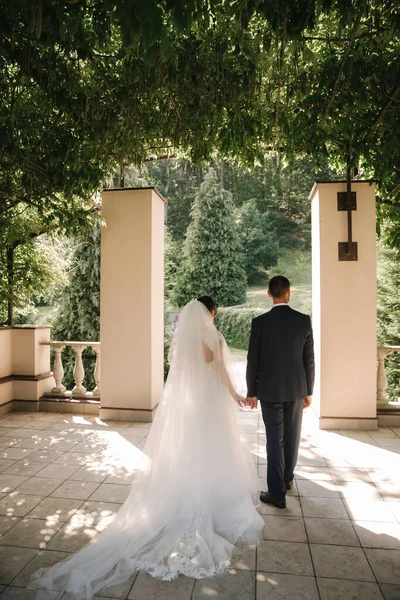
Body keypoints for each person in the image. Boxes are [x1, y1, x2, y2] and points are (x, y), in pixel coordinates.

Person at [30, 297, 264, 599]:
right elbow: (220, 372)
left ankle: (189, 492)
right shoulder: (214, 337)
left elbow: (180, 377)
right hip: (212, 404)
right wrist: (236, 397)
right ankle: (215, 499)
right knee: (217, 450)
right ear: (212, 313)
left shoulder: (186, 341)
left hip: (193, 407)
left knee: (194, 452)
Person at [246, 276, 315, 509]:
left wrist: (251, 391)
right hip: (296, 388)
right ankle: (286, 479)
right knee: (292, 437)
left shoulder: (260, 322)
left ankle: (277, 493)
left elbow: (252, 360)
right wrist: (309, 390)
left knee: (275, 441)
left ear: (268, 294)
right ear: (289, 292)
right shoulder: (303, 321)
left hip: (269, 390)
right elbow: (309, 360)